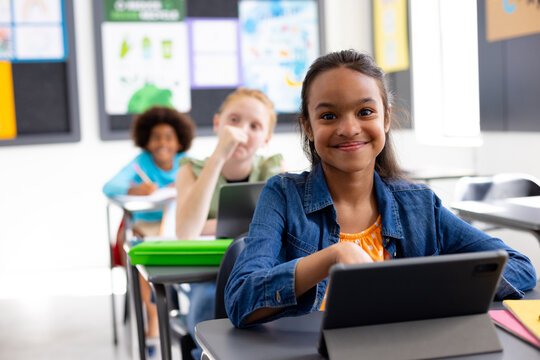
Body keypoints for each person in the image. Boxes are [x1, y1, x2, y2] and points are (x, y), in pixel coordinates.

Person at [225, 50, 537, 328]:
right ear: (308, 126)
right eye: (329, 115)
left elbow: (519, 266)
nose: (349, 128)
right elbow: (240, 300)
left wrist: (427, 291)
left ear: (386, 118)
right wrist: (334, 256)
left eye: (365, 112)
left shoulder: (420, 205)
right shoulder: (282, 195)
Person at [174, 88, 283, 359]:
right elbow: (187, 231)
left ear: (266, 138)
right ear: (217, 124)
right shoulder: (190, 170)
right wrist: (218, 157)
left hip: (258, 268)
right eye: (233, 121)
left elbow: (282, 225)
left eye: (254, 126)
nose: (242, 132)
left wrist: (208, 225)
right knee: (208, 303)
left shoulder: (274, 169)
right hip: (206, 274)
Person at [103, 105, 195, 339]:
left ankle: (188, 311)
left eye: (168, 137)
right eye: (155, 137)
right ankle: (153, 314)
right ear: (146, 141)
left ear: (179, 142)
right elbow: (109, 187)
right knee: (144, 257)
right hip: (145, 228)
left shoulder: (187, 163)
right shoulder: (140, 162)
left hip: (177, 227)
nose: (162, 143)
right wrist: (135, 189)